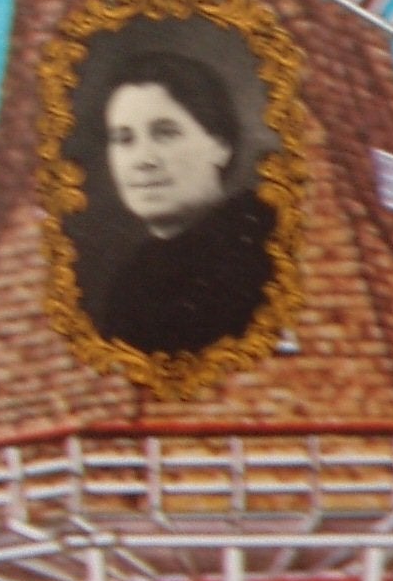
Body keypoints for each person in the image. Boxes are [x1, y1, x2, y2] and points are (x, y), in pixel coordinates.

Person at [95, 50, 275, 356]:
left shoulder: (267, 252)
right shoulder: (128, 287)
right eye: (124, 139)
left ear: (220, 146)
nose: (143, 160)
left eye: (166, 133)